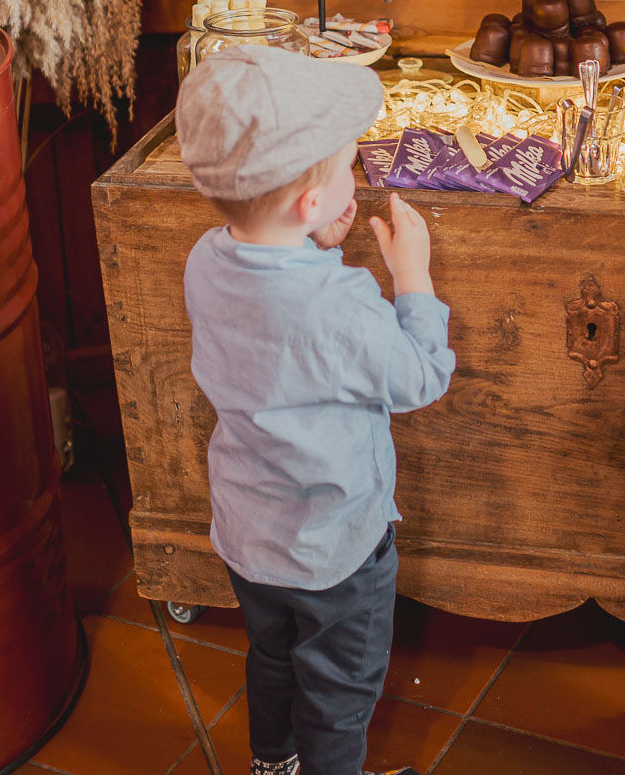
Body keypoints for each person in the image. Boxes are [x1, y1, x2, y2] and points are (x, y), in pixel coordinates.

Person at [177, 46, 455, 775]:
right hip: (336, 548)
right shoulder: (341, 300)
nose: (354, 181)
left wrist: (311, 238)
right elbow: (420, 378)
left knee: (273, 656)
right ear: (309, 203)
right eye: (347, 170)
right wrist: (413, 278)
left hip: (247, 532)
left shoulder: (206, 257)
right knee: (338, 692)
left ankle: (273, 763)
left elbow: (273, 307)